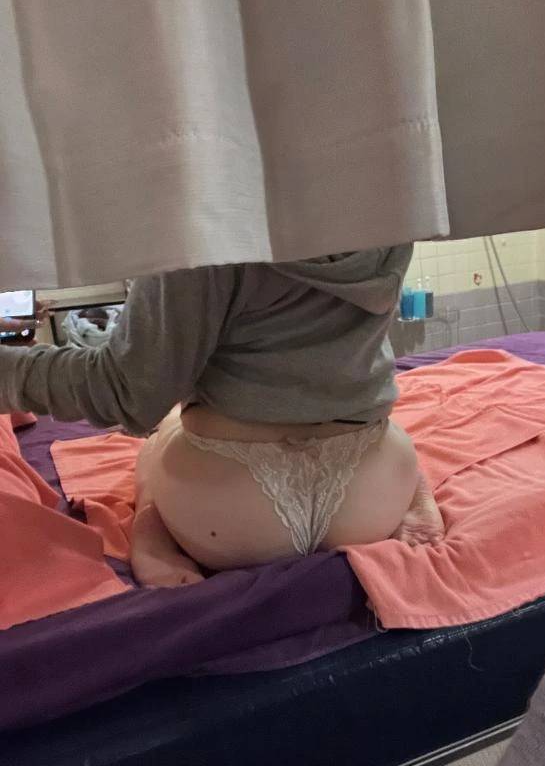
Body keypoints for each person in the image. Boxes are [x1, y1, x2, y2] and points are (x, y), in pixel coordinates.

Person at [0, 247, 444, 586]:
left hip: (228, 510)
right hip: (373, 497)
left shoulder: (206, 221)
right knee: (374, 417)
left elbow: (128, 394)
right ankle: (415, 492)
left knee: (163, 428)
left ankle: (150, 526)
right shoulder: (390, 192)